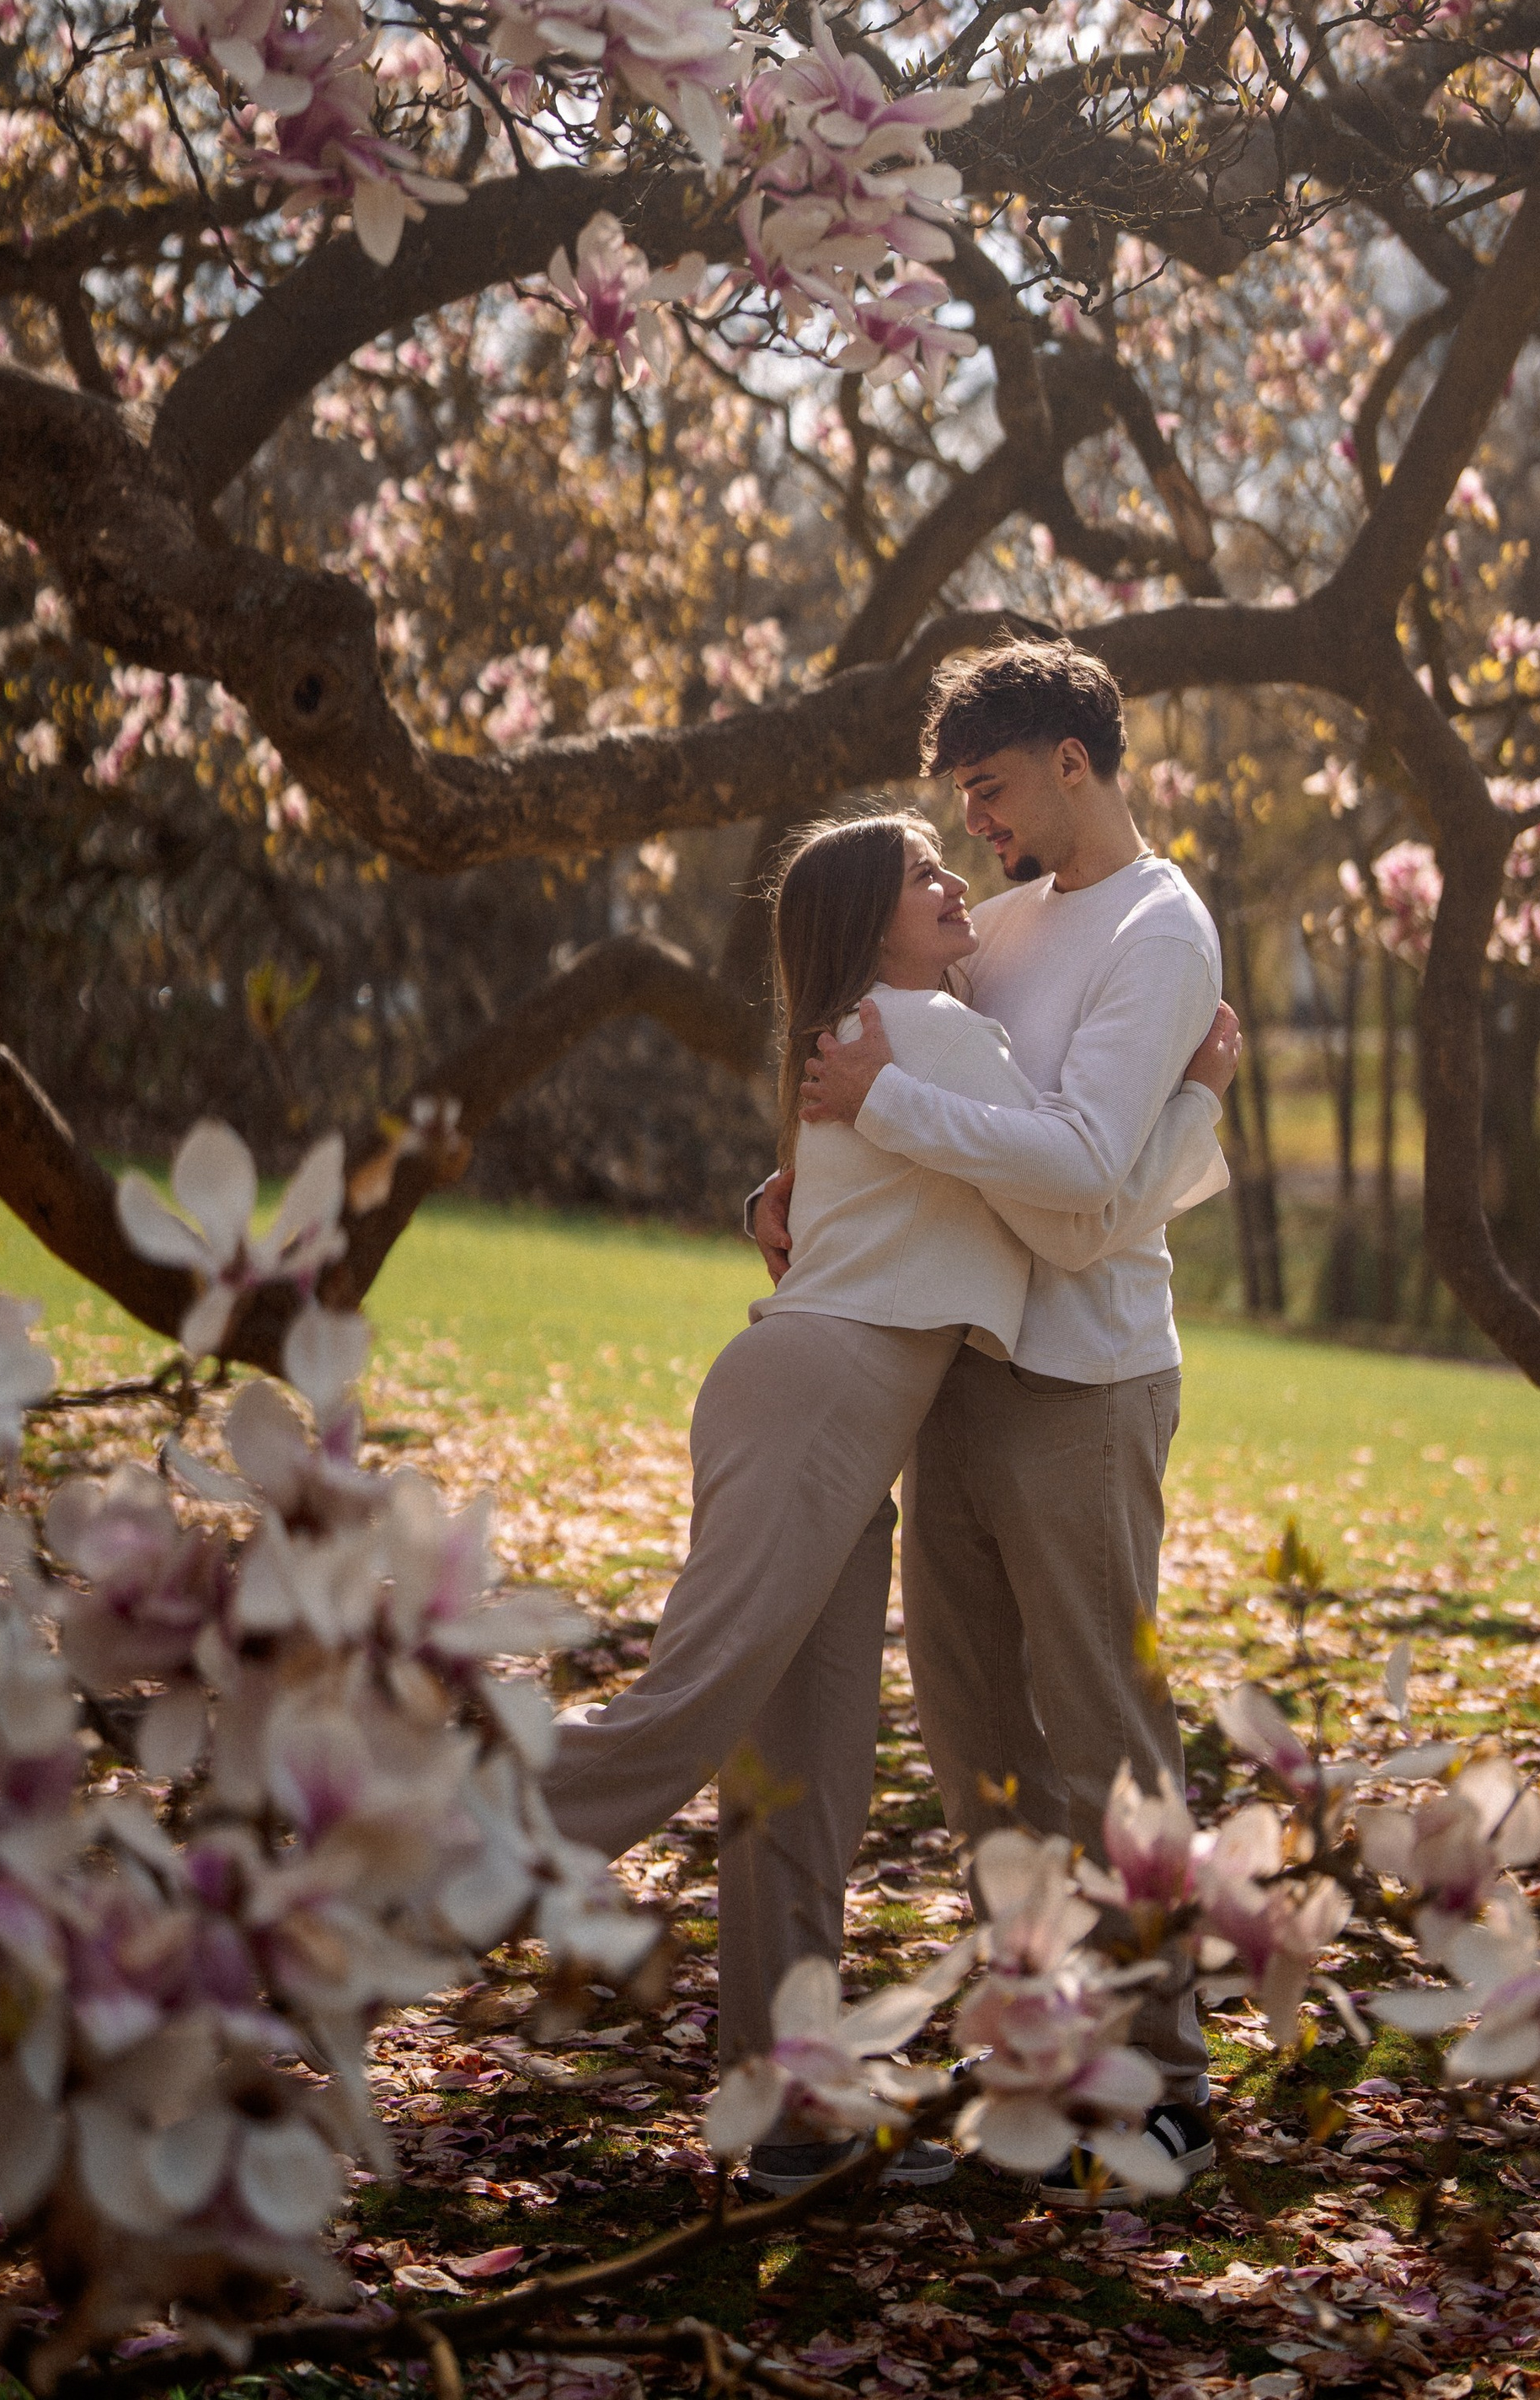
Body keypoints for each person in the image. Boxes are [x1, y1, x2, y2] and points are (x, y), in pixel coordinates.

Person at [542, 806, 1236, 2194]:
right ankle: (418, 1846)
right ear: (866, 926)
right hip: (821, 1397)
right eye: (924, 869)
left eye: (950, 850)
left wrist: (801, 1180)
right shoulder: (916, 1036)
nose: (958, 871)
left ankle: (786, 2100)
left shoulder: (891, 1029)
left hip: (846, 1404)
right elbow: (1075, 1200)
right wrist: (1201, 1103)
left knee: (800, 1768)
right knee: (688, 1716)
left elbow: (903, 1177)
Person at [759, 637, 1226, 2202]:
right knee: (974, 1739)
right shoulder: (1004, 925)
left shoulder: (1163, 932)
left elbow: (1085, 1186)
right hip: (956, 1361)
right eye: (965, 797)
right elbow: (959, 1121)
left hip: (1084, 1379)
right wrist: (815, 1172)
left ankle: (1164, 2078)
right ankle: (1036, 2034)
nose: (979, 828)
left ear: (1076, 764)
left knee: (1101, 1734)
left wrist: (881, 1108)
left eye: (997, 786)